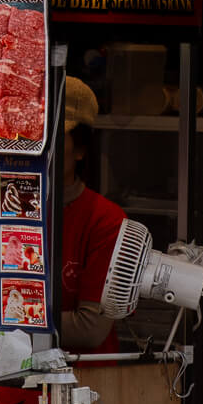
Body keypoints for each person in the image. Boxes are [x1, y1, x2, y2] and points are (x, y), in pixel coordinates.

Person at [61, 77, 126, 352]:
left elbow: (88, 329)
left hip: (84, 382)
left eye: (50, 138)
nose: (37, 149)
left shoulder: (106, 220)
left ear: (80, 149)